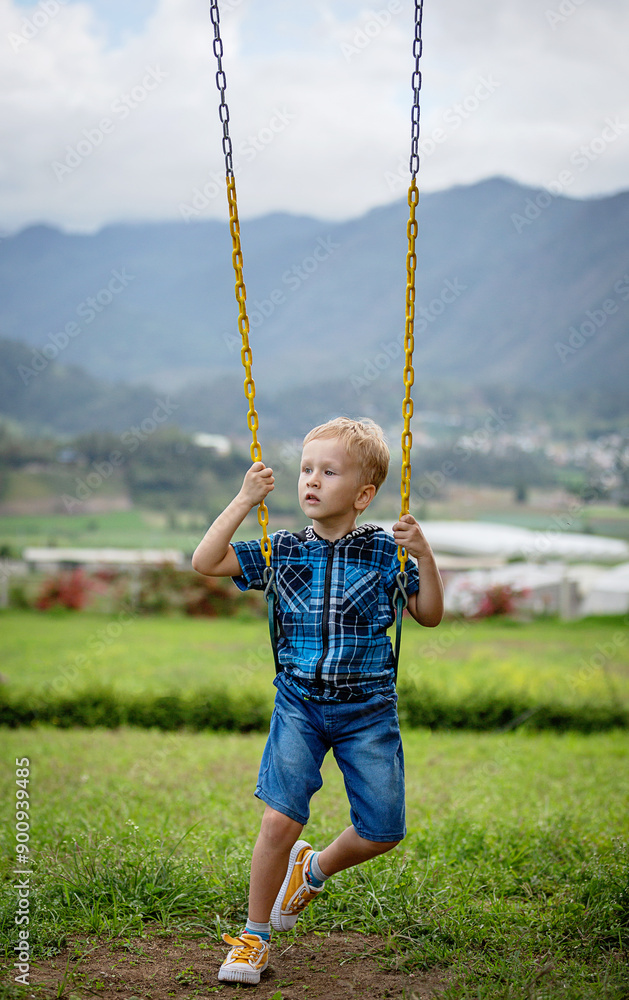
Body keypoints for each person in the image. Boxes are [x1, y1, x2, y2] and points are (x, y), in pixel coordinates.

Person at [191, 417, 444, 985]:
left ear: (362, 495)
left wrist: (424, 555)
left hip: (368, 710)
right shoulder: (281, 551)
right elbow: (205, 561)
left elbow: (428, 613)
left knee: (382, 830)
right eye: (307, 469)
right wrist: (243, 498)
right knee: (279, 818)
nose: (311, 480)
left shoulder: (385, 552)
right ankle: (253, 936)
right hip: (299, 705)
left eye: (328, 472)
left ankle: (314, 867)